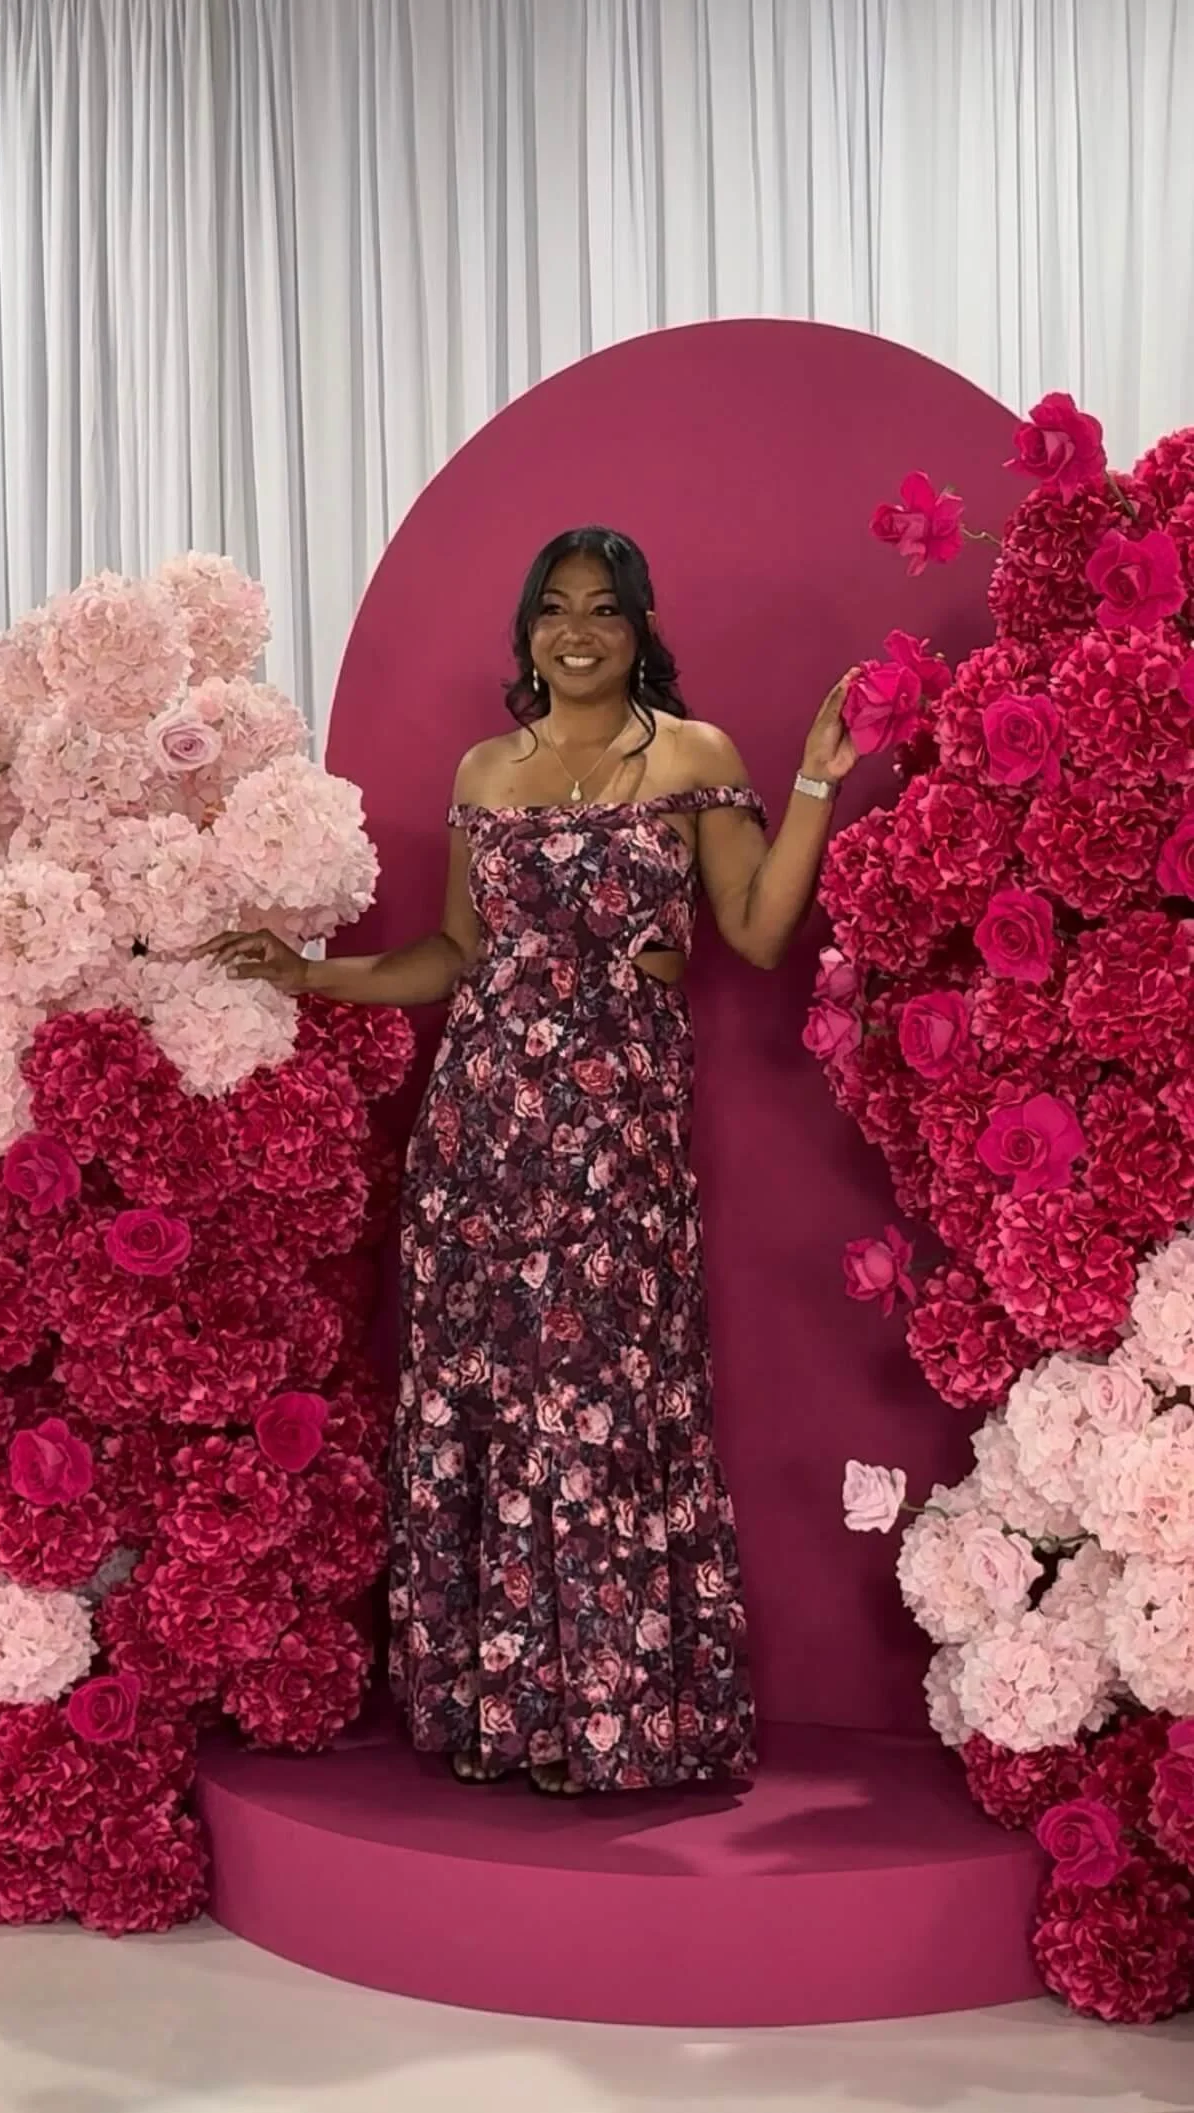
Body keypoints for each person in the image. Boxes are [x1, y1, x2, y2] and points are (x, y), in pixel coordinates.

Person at [203, 526, 858, 1797]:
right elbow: (452, 956)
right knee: (496, 1404)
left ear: (638, 628)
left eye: (604, 612)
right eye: (554, 611)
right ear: (527, 633)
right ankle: (505, 1708)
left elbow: (762, 935)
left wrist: (820, 780)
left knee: (602, 1403)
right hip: (483, 1133)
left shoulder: (694, 755)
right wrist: (308, 975)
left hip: (617, 1144)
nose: (577, 633)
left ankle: (618, 1712)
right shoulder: (486, 772)